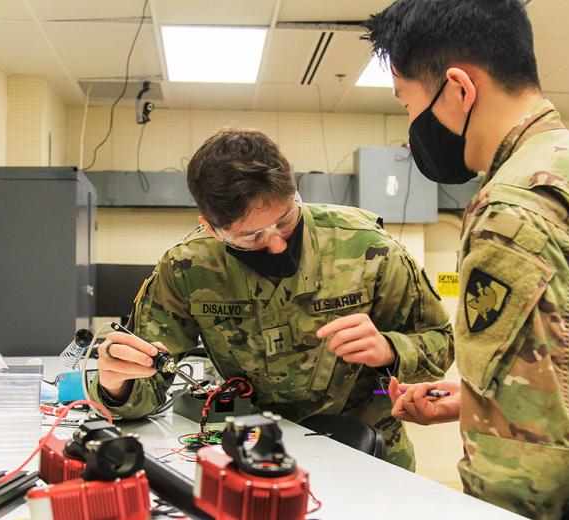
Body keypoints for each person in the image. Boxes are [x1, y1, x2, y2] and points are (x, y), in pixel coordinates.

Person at [364, 0, 569, 517]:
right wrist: (482, 401)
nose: (411, 128)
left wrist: (504, 432)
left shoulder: (512, 209)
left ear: (459, 89)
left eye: (407, 104)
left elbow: (526, 466)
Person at [87, 128, 453, 471]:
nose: (276, 243)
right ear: (212, 228)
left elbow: (441, 344)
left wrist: (389, 349)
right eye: (251, 236)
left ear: (294, 193)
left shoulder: (368, 248)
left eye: (286, 220)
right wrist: (116, 384)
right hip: (255, 454)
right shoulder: (187, 268)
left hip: (368, 455)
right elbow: (149, 383)